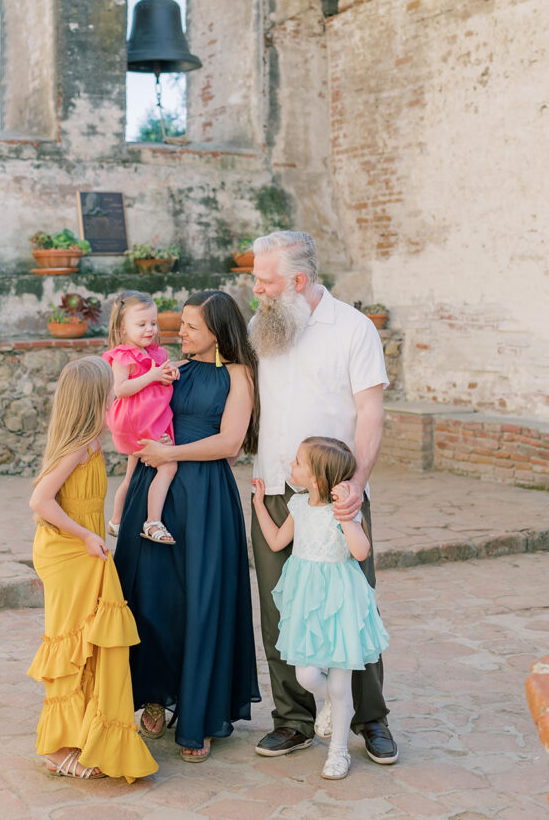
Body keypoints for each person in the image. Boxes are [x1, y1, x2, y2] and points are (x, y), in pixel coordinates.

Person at [250, 230, 398, 764]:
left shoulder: (353, 330)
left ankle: (371, 719)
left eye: (264, 281)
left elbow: (371, 414)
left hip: (338, 497)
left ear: (298, 280)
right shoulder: (262, 327)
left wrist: (355, 486)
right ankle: (293, 720)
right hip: (274, 491)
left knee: (353, 608)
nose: (256, 289)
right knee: (279, 610)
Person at [113, 290, 260, 762]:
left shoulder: (238, 375)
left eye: (193, 327)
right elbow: (139, 414)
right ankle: (154, 693)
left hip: (205, 497)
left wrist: (170, 454)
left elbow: (231, 443)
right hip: (153, 490)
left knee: (203, 601)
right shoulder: (171, 367)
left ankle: (200, 711)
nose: (182, 332)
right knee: (152, 595)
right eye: (183, 325)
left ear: (219, 331)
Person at [27, 356, 158, 783]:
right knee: (71, 647)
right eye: (108, 387)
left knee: (91, 645)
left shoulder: (94, 441)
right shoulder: (78, 447)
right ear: (91, 397)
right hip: (68, 553)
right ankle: (58, 748)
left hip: (85, 551)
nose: (114, 391)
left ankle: (84, 737)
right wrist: (84, 535)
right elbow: (40, 502)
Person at [252, 437, 389, 780]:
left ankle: (338, 752)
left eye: (297, 463)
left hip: (341, 602)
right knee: (307, 674)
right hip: (306, 605)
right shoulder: (297, 506)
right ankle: (335, 703)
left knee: (342, 684)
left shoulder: (343, 511)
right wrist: (257, 504)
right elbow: (276, 542)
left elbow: (360, 552)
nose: (290, 467)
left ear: (316, 478)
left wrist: (348, 517)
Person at [103, 291, 179, 545]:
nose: (150, 329)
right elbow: (121, 389)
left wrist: (170, 373)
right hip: (137, 421)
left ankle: (115, 521)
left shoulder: (156, 354)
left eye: (153, 323)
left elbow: (160, 381)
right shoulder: (124, 355)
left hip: (148, 418)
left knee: (131, 475)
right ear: (122, 328)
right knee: (168, 465)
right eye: (141, 324)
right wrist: (153, 376)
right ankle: (153, 521)